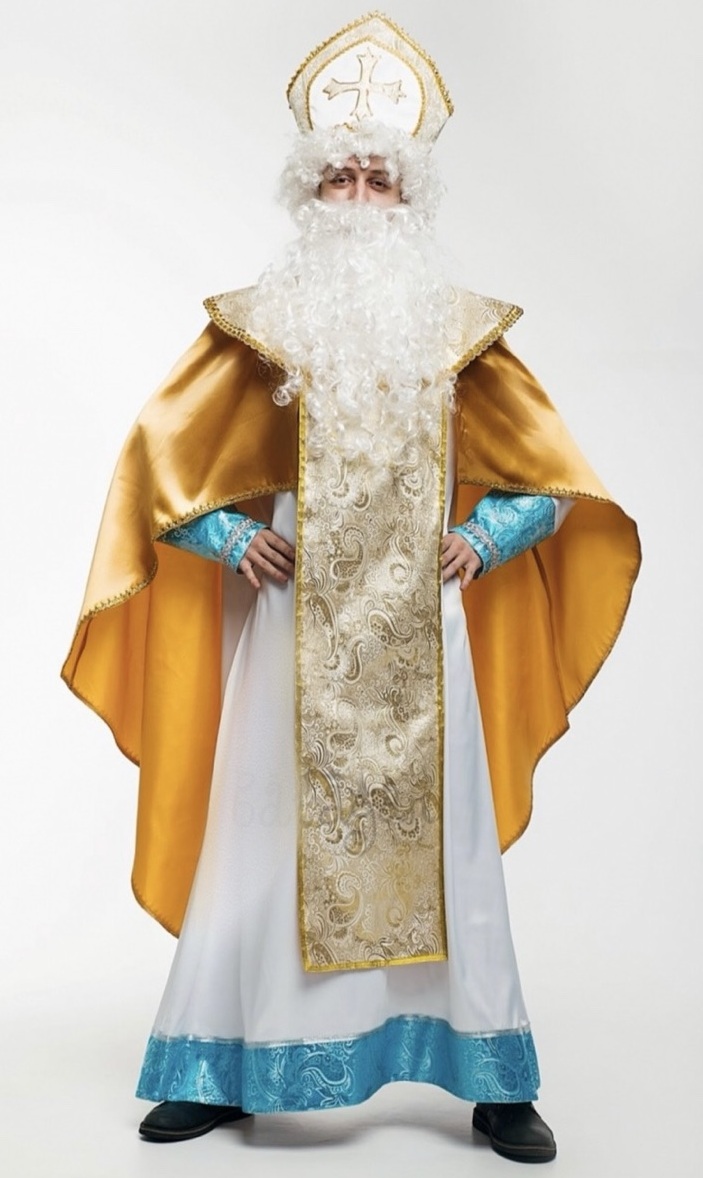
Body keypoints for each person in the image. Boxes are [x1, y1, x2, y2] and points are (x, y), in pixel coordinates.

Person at [62, 13, 641, 1165]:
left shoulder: (459, 334)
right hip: (293, 630)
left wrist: (485, 534)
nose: (360, 195)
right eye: (341, 176)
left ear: (409, 196)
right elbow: (157, 468)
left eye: (380, 178)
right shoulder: (258, 329)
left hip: (423, 638)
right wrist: (230, 534)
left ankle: (491, 1078)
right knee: (261, 835)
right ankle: (219, 1064)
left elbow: (554, 482)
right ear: (308, 190)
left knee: (448, 849)